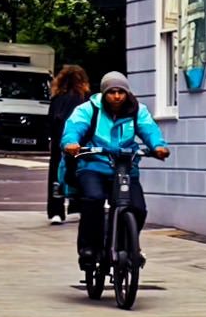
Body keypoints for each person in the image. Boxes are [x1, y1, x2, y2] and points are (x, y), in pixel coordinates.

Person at [58, 74, 169, 282]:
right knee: (94, 199)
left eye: (121, 92)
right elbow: (74, 127)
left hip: (125, 168)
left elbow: (149, 129)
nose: (117, 96)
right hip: (93, 165)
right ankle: (89, 248)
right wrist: (71, 142)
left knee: (138, 209)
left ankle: (127, 246)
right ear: (104, 93)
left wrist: (158, 146)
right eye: (112, 92)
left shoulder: (137, 110)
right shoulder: (88, 109)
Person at [42, 61, 93, 223]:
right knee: (81, 173)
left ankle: (56, 211)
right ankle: (79, 205)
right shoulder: (86, 99)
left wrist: (51, 139)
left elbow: (50, 122)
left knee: (56, 175)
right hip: (82, 142)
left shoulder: (57, 99)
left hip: (60, 142)